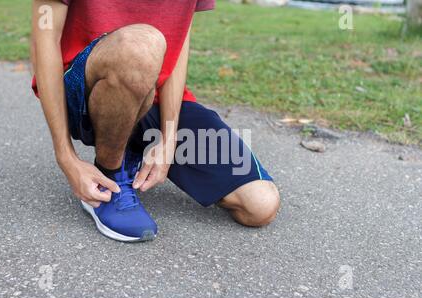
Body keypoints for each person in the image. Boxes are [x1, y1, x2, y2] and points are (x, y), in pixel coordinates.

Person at [31, 0, 280, 242]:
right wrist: (66, 157)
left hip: (154, 96)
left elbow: (179, 40)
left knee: (259, 204)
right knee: (142, 45)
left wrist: (169, 140)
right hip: (84, 94)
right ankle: (109, 177)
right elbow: (45, 39)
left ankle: (131, 148)